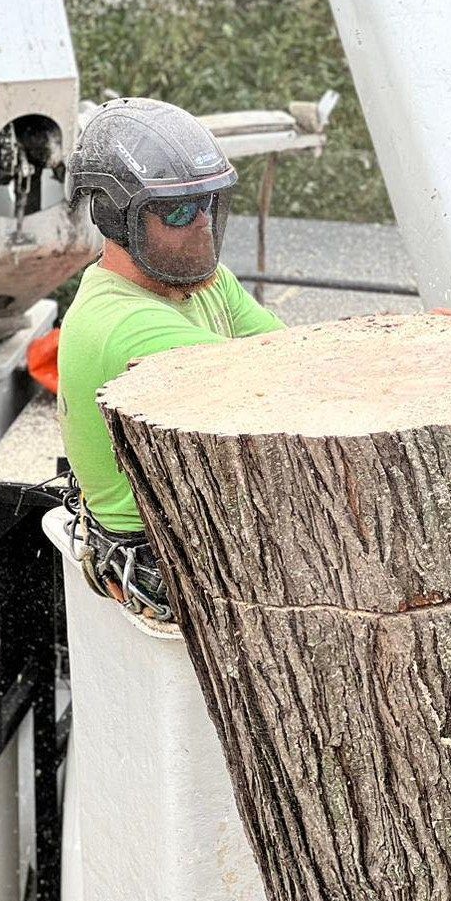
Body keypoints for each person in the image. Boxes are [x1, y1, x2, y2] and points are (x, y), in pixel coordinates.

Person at [58, 97, 284, 619]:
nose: (203, 223)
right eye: (180, 211)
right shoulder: (124, 325)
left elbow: (290, 353)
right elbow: (280, 391)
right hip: (159, 563)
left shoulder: (200, 281)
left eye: (208, 202)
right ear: (117, 218)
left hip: (194, 527)